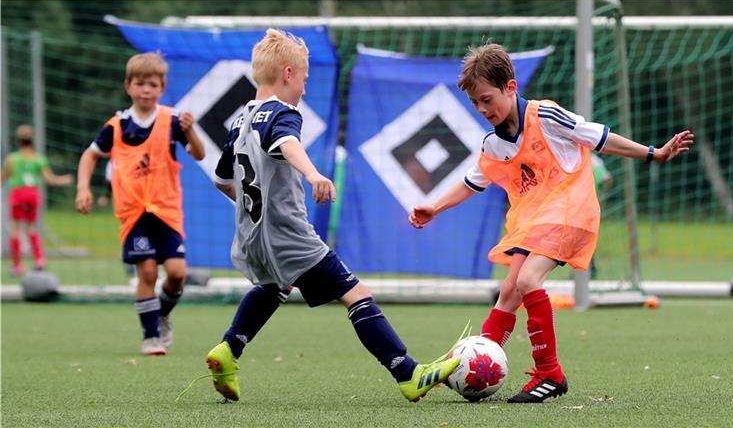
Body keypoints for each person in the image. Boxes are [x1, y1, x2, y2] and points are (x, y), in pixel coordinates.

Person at [409, 43, 693, 404]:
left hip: (571, 211)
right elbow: (472, 182)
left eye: (486, 99)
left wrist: (654, 153)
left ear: (510, 87)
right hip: (535, 220)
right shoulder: (494, 145)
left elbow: (599, 137)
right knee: (509, 291)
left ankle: (550, 374)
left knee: (527, 280)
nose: (482, 109)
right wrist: (434, 207)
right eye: (475, 104)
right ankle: (478, 363)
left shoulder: (546, 117)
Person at [205, 28, 460, 403]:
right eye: (304, 80)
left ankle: (228, 350)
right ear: (288, 74)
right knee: (356, 293)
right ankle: (408, 372)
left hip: (250, 235)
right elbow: (287, 143)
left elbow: (221, 179)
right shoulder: (283, 113)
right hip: (289, 234)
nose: (305, 89)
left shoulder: (241, 120)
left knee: (274, 287)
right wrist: (313, 175)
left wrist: (249, 202)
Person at [75, 52, 206, 356]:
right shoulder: (117, 126)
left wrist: (190, 130)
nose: (145, 89)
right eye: (139, 83)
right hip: (134, 214)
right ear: (128, 86)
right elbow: (90, 154)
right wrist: (83, 187)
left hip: (167, 211)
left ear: (162, 88)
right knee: (147, 272)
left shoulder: (172, 120)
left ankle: (161, 314)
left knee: (176, 274)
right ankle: (151, 337)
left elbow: (198, 154)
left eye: (152, 84)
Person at [1, 124, 73, 275]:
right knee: (32, 228)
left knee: (15, 229)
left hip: (18, 193)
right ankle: (40, 260)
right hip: (32, 194)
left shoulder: (12, 159)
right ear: (32, 141)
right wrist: (64, 180)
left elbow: (2, 178)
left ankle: (17, 266)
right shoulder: (39, 159)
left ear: (18, 141)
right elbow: (50, 179)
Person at [589, 152, 613, 278]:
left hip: (590, 204)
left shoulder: (593, 161)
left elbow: (608, 179)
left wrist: (598, 192)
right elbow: (608, 179)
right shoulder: (595, 160)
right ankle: (589, 268)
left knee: (585, 237)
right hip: (584, 203)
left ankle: (589, 268)